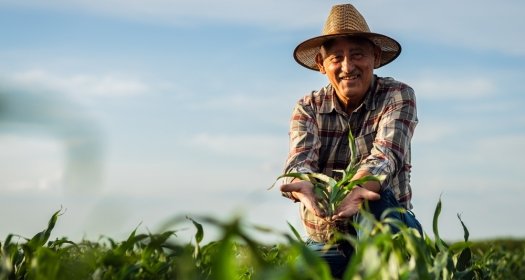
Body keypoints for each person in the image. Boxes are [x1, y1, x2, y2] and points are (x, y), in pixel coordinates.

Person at [279, 3, 423, 278]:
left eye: (357, 55)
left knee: (375, 202)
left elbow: (386, 156)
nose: (348, 66)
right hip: (328, 236)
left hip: (386, 224)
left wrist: (359, 189)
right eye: (336, 57)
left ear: (376, 57)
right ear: (321, 65)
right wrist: (301, 186)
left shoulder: (397, 96)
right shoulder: (308, 107)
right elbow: (300, 161)